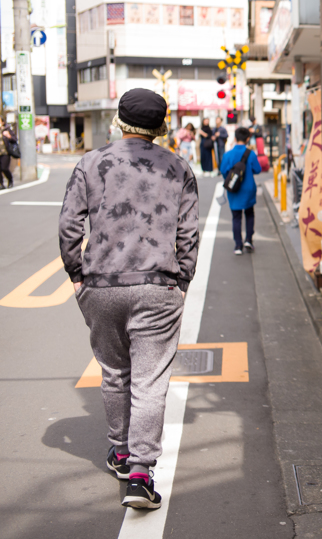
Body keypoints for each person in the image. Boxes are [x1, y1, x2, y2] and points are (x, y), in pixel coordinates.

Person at [58, 88, 199, 510]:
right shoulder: (178, 167)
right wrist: (182, 282)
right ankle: (140, 474)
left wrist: (77, 276)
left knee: (114, 373)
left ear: (118, 122)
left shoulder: (91, 162)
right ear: (159, 128)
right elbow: (188, 235)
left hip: (101, 285)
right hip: (158, 285)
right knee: (149, 381)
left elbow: (69, 226)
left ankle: (120, 453)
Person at [220, 126, 262, 255]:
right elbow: (258, 169)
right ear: (248, 138)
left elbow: (223, 171)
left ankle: (238, 245)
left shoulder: (228, 154)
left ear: (235, 138)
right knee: (249, 214)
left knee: (236, 217)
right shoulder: (251, 154)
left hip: (234, 189)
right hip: (249, 188)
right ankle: (248, 240)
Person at [0, 123, 14, 189]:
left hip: (5, 153)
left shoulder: (6, 130)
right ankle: (1, 184)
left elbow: (14, 139)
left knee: (4, 168)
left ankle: (10, 180)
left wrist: (8, 136)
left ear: (2, 122)